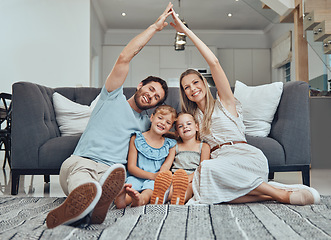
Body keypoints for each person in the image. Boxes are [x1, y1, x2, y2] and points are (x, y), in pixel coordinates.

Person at [169, 8, 321, 206]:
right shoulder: (194, 117)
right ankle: (275, 193)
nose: (192, 89)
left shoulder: (225, 102)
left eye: (195, 83)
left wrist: (186, 32)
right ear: (184, 93)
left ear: (204, 83)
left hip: (244, 157)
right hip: (219, 164)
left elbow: (214, 63)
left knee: (207, 171)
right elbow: (183, 136)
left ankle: (282, 195)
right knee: (207, 180)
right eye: (187, 87)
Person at [46, 3, 174, 229]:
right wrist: (154, 27)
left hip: (112, 173)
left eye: (157, 98)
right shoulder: (111, 96)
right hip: (82, 161)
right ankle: (86, 202)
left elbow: (168, 134)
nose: (151, 96)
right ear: (140, 85)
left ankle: (90, 206)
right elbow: (125, 57)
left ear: (156, 107)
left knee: (106, 182)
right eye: (150, 89)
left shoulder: (147, 123)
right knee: (83, 181)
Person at [114, 105, 177, 208]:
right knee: (131, 188)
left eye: (168, 122)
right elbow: (131, 167)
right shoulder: (137, 138)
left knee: (149, 191)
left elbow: (165, 167)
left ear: (171, 127)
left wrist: (159, 177)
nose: (162, 123)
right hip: (136, 176)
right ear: (152, 118)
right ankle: (122, 200)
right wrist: (152, 175)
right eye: (160, 118)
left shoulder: (170, 145)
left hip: (155, 180)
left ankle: (140, 200)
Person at [169, 112, 210, 205]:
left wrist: (188, 178)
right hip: (176, 177)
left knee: (190, 187)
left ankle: (180, 199)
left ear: (196, 127)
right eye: (180, 126)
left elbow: (203, 167)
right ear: (177, 133)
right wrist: (167, 176)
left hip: (194, 177)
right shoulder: (175, 146)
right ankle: (162, 198)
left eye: (188, 123)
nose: (185, 127)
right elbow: (167, 165)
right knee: (170, 188)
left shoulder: (203, 146)